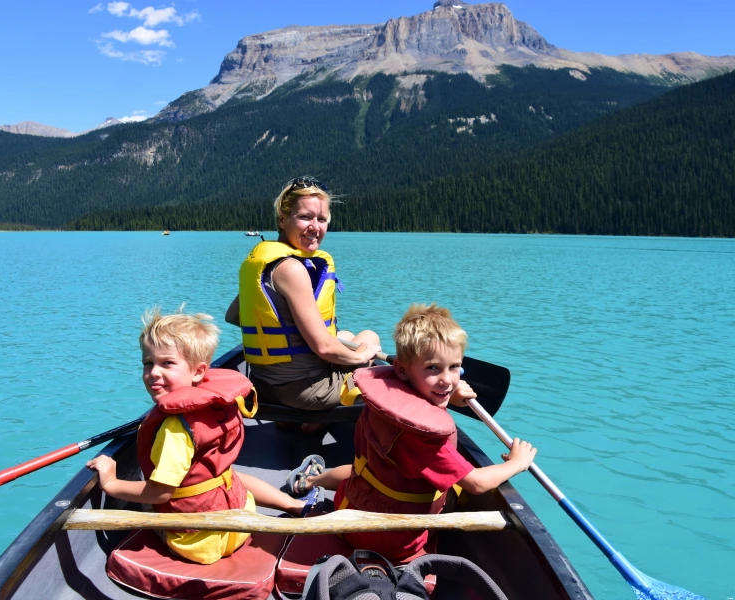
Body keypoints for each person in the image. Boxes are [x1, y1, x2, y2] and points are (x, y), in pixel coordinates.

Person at [287, 303, 537, 560]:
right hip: (392, 542)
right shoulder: (424, 436)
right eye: (433, 368)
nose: (447, 380)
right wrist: (517, 463)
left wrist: (446, 397)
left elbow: (415, 402)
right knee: (455, 490)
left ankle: (309, 481)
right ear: (403, 370)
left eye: (454, 368)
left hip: (348, 511)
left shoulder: (383, 397)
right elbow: (476, 483)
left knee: (362, 470)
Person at [87, 307, 316, 565]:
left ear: (198, 372)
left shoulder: (175, 428)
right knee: (225, 476)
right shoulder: (218, 402)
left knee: (147, 502)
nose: (153, 373)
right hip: (239, 521)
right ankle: (296, 506)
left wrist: (111, 483)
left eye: (167, 363)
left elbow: (160, 493)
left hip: (198, 543)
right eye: (147, 363)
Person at [225, 176, 381, 431]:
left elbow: (233, 316)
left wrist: (287, 326)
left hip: (263, 386)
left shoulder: (263, 263)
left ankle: (291, 420)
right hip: (306, 391)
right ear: (282, 219)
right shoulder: (291, 269)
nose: (315, 227)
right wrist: (363, 355)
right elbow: (323, 347)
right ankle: (312, 423)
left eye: (322, 219)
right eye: (305, 217)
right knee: (368, 337)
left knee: (347, 335)